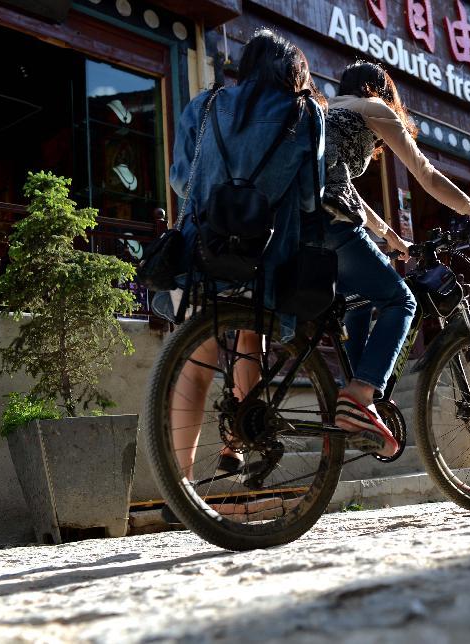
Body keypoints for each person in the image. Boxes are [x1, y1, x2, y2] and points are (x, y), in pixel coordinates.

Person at [163, 29, 325, 487]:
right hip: (267, 253)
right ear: (291, 70)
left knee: (198, 359)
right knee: (251, 341)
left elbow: (181, 180)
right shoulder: (304, 110)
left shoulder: (204, 105)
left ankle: (183, 483)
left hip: (206, 247)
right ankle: (235, 444)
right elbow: (311, 196)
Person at [322, 61, 470, 457]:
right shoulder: (373, 108)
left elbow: (343, 188)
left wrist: (391, 238)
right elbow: (426, 175)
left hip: (305, 226)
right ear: (377, 89)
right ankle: (360, 395)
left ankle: (353, 401)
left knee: (359, 300)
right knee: (402, 300)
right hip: (332, 223)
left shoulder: (328, 112)